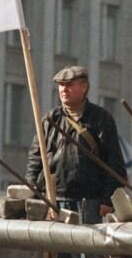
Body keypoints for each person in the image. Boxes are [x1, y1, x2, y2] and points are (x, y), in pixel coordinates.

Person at [26, 66, 126, 219]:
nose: (64, 90)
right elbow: (35, 160)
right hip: (52, 200)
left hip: (88, 202)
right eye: (61, 85)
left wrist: (107, 200)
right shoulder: (50, 119)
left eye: (69, 85)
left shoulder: (101, 118)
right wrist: (32, 192)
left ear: (84, 87)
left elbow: (114, 163)